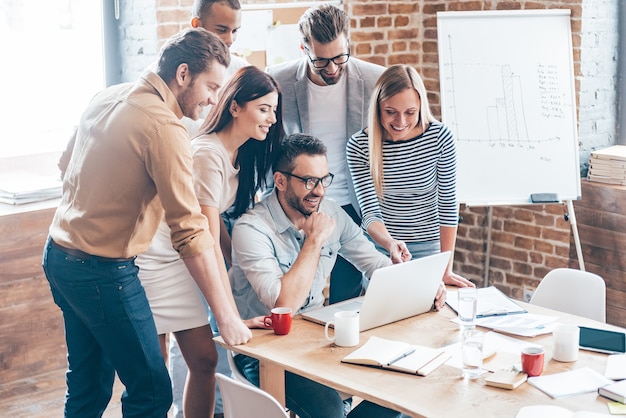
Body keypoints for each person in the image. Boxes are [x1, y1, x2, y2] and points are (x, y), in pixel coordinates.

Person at [43, 28, 252, 417]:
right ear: (184, 74)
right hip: (102, 272)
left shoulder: (108, 94)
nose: (212, 100)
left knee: (88, 386)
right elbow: (189, 231)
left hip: (58, 257)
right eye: (210, 87)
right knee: (152, 391)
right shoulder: (164, 127)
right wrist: (226, 316)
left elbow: (64, 165)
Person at [229, 133, 446, 418]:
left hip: (316, 341)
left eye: (324, 180)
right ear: (280, 181)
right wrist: (314, 241)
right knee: (330, 409)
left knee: (399, 385)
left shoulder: (331, 212)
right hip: (263, 353)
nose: (319, 191)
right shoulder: (251, 230)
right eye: (308, 181)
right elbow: (283, 306)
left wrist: (421, 284)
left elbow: (374, 264)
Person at [136, 66, 283, 418]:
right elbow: (203, 235)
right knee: (152, 372)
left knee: (204, 359)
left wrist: (241, 263)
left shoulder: (236, 154)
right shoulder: (208, 153)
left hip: (184, 259)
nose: (272, 119)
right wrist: (228, 308)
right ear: (235, 107)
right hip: (158, 260)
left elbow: (215, 228)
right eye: (264, 109)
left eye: (274, 110)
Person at [266, 3, 385, 304]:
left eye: (339, 57)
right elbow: (268, 144)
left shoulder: (375, 80)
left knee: (348, 298)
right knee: (297, 294)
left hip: (354, 205)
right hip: (298, 202)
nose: (332, 68)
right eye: (320, 60)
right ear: (303, 48)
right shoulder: (277, 81)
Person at [169, 1, 250, 416]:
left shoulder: (234, 74)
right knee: (186, 350)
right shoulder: (172, 100)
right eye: (222, 29)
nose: (231, 40)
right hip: (174, 241)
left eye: (236, 31)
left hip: (200, 231)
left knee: (202, 351)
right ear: (196, 25)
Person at [346, 64, 474, 288]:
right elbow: (369, 214)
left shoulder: (439, 138)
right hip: (383, 250)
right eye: (391, 112)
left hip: (430, 248)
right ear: (378, 107)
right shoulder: (359, 146)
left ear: (421, 106)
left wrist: (446, 268)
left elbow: (447, 205)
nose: (401, 122)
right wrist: (391, 244)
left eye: (410, 112)